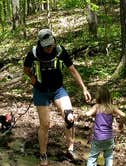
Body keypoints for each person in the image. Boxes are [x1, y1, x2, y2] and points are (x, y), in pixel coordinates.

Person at [23, 28, 91, 166]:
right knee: (45, 124)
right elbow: (25, 69)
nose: (49, 48)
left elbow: (72, 70)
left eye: (51, 44)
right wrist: (32, 77)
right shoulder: (34, 53)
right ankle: (43, 154)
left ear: (54, 41)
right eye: (46, 45)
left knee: (69, 117)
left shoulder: (60, 51)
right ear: (40, 43)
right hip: (41, 91)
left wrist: (84, 88)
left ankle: (70, 149)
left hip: (58, 90)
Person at [85, 85, 126, 166]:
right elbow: (123, 115)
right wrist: (121, 124)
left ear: (99, 96)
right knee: (108, 157)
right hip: (109, 138)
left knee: (92, 158)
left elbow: (87, 114)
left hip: (98, 138)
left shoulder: (97, 106)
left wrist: (92, 114)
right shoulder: (112, 107)